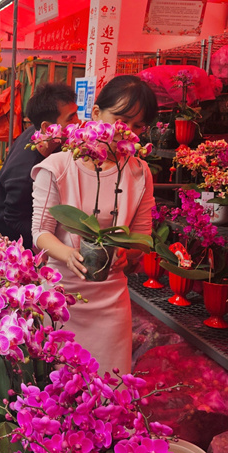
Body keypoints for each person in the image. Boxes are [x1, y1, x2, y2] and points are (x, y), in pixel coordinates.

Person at [31, 75, 158, 376]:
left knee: (109, 390)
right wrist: (67, 254)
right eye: (122, 119)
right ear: (97, 114)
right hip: (61, 297)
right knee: (58, 391)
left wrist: (132, 252)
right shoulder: (59, 166)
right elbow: (41, 233)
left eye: (139, 126)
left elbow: (142, 237)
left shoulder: (139, 172)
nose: (129, 131)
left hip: (111, 301)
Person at [0, 83, 78, 249]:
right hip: (3, 228)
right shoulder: (24, 170)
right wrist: (53, 238)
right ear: (48, 127)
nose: (78, 122)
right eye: (71, 118)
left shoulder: (39, 135)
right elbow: (13, 219)